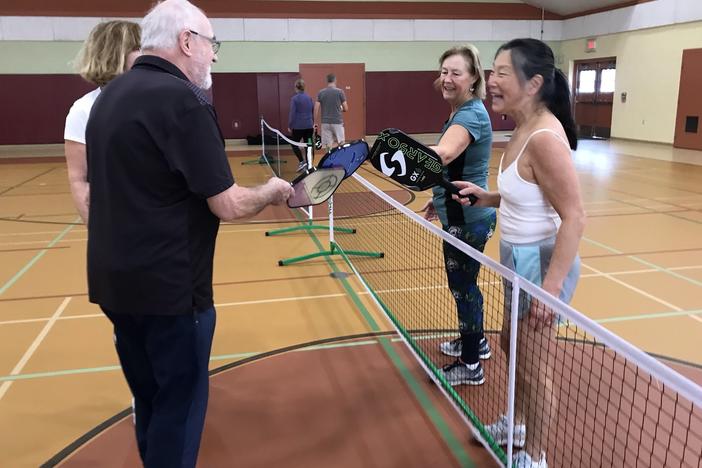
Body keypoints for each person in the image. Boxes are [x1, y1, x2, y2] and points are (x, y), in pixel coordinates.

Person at [85, 1, 294, 467]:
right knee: (179, 409)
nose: (213, 57)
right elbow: (227, 203)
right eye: (210, 44)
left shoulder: (108, 98)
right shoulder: (186, 101)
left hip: (115, 285)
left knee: (151, 402)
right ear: (186, 42)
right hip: (173, 291)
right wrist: (272, 191)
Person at [452, 38, 586, 468]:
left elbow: (574, 217)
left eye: (501, 73)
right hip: (517, 261)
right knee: (513, 346)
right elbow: (527, 195)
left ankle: (536, 456)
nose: (491, 81)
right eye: (492, 72)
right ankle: (519, 423)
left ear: (533, 84)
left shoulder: (545, 137)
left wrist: (549, 288)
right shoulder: (521, 128)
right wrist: (486, 197)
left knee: (532, 363)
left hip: (539, 266)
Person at [421, 45, 496, 387]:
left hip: (468, 220)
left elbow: (445, 153)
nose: (447, 79)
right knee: (464, 287)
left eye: (456, 73)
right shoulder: (460, 111)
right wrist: (439, 197)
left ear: (474, 78)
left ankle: (470, 363)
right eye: (443, 71)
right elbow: (455, 165)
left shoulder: (469, 115)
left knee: (463, 288)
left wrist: (397, 151)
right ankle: (475, 341)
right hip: (457, 212)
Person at [64, 20, 141, 224]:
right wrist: (101, 232)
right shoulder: (83, 110)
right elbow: (78, 179)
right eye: (138, 48)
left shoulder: (159, 101)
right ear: (116, 54)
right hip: (116, 225)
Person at [314, 73, 348, 150]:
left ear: (327, 81)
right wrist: (340, 108)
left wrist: (315, 122)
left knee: (327, 145)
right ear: (335, 80)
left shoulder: (321, 92)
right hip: (337, 122)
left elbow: (316, 108)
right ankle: (339, 159)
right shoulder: (340, 92)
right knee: (341, 142)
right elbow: (346, 108)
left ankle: (329, 158)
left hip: (325, 122)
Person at [287, 78, 315, 172]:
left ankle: (302, 162)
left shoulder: (294, 99)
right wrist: (312, 123)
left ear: (296, 87)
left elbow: (292, 114)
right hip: (309, 127)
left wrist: (290, 126)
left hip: (298, 127)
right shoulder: (309, 98)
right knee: (309, 145)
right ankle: (309, 164)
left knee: (294, 144)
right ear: (304, 87)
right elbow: (312, 112)